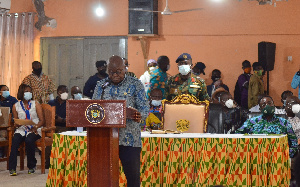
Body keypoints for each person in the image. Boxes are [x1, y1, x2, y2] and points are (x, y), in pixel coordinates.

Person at [93, 55, 149, 187]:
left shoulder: (135, 84)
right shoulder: (101, 85)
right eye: (111, 72)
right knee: (104, 177)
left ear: (125, 69)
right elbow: (93, 108)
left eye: (118, 71)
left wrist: (138, 115)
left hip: (129, 139)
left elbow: (145, 108)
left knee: (133, 177)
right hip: (105, 139)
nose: (115, 75)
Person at [9, 84, 45, 176]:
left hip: (35, 129)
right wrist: (16, 124)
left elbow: (42, 120)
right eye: (26, 92)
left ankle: (31, 166)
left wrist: (35, 127)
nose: (28, 93)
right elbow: (16, 120)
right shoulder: (16, 106)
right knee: (15, 140)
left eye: (30, 91)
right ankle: (12, 168)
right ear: (21, 93)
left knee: (29, 140)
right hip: (22, 129)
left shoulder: (35, 104)